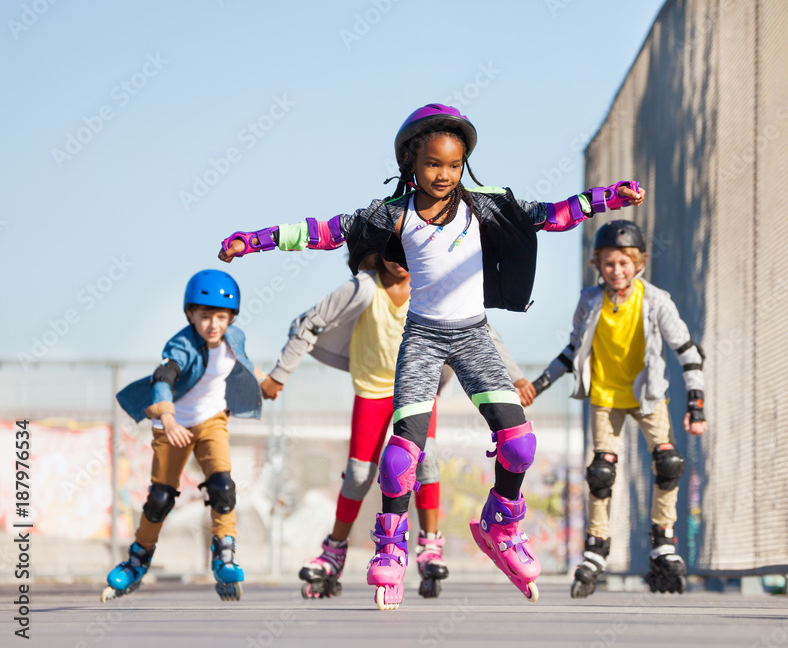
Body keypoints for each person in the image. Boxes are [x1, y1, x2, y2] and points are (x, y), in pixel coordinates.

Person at [217, 103, 643, 609]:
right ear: (411, 165)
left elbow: (549, 216)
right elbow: (323, 230)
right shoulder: (392, 214)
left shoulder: (483, 206)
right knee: (402, 457)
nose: (445, 174)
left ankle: (501, 524)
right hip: (422, 339)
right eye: (433, 164)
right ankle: (392, 547)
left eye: (454, 165)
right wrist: (254, 242)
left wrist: (605, 199)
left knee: (520, 446)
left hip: (474, 336)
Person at [261, 254, 530, 599]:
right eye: (392, 255)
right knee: (359, 474)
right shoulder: (362, 288)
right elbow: (311, 323)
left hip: (418, 391)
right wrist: (279, 374)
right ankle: (335, 550)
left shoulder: (431, 288)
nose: (401, 264)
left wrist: (515, 376)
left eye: (408, 254)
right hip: (373, 390)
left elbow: (480, 331)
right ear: (373, 253)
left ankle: (429, 545)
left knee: (426, 461)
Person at [529, 220, 706, 597]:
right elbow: (572, 351)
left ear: (638, 262)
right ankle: (597, 547)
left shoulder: (656, 301)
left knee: (669, 462)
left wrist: (697, 403)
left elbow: (688, 351)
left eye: (624, 263)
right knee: (601, 472)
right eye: (609, 263)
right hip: (606, 396)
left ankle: (663, 538)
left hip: (648, 395)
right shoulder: (589, 301)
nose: (616, 270)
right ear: (599, 265)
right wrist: (540, 383)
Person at [109, 270, 262, 603]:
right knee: (161, 498)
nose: (213, 325)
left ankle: (224, 554)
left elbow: (242, 365)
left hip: (212, 422)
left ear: (231, 318)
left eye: (221, 317)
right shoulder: (181, 344)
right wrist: (167, 416)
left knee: (223, 487)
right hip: (172, 423)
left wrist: (264, 385)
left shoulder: (236, 338)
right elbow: (164, 376)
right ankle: (137, 559)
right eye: (205, 316)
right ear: (190, 314)